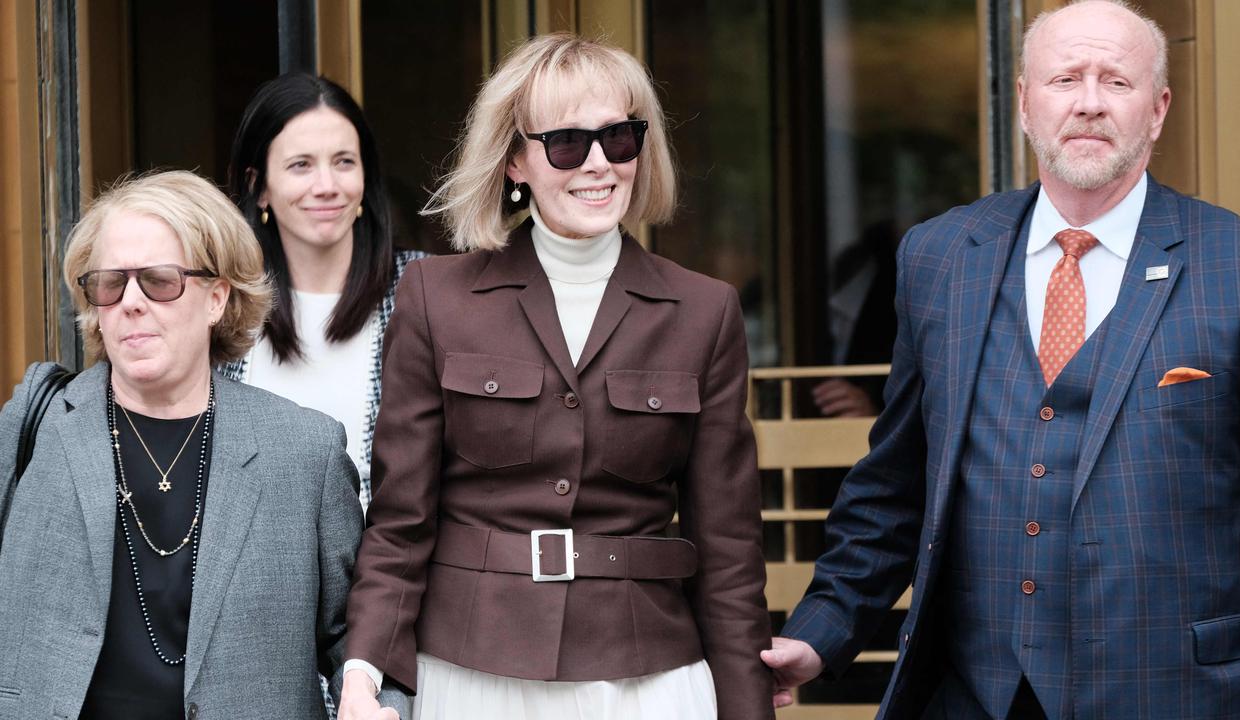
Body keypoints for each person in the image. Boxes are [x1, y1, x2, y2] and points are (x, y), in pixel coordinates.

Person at [763, 1, 1240, 717]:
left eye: (1117, 83)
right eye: (1066, 79)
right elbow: (896, 487)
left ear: (1158, 110)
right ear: (1025, 105)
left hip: (1182, 694)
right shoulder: (941, 257)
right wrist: (820, 636)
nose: (1091, 103)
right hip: (978, 696)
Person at [337, 33, 773, 720]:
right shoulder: (435, 298)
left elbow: (730, 551)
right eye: (568, 143)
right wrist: (362, 671)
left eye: (620, 139)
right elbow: (401, 522)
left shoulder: (704, 311)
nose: (599, 164)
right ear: (516, 160)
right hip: (472, 669)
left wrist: (749, 710)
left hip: (645, 676)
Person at [0, 171, 400, 718]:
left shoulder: (304, 451)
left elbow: (357, 631)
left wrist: (375, 698)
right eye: (111, 283)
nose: (131, 302)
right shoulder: (37, 424)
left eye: (159, 281)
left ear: (217, 298)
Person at [223, 73, 425, 509]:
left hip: (393, 567)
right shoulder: (223, 306)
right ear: (259, 187)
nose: (327, 185)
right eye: (301, 165)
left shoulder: (425, 291)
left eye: (344, 162)